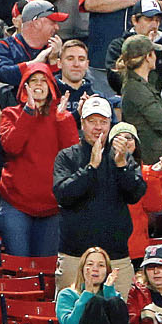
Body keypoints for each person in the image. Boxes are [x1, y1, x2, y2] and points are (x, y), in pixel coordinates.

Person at [53, 101, 148, 294]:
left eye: (103, 122)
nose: (98, 127)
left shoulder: (122, 157)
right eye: (92, 121)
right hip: (75, 255)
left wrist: (121, 166)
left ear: (110, 125)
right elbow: (63, 195)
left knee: (120, 318)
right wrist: (90, 168)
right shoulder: (66, 157)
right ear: (82, 123)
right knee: (71, 317)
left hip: (116, 256)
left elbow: (136, 193)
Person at [0, 63, 76, 257]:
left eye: (43, 81)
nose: (38, 85)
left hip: (51, 206)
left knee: (46, 269)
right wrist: (29, 112)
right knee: (17, 265)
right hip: (16, 203)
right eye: (33, 81)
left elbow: (71, 156)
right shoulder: (11, 114)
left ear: (51, 87)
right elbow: (12, 147)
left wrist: (62, 120)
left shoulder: (62, 116)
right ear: (25, 87)